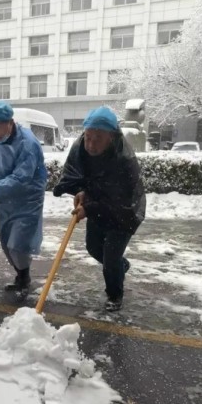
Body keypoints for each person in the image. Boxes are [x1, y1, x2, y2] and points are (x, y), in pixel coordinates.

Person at [54, 107, 146, 312]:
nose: (91, 144)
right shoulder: (80, 147)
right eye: (88, 137)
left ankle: (115, 294)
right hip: (97, 207)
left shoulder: (125, 160)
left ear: (111, 138)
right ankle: (120, 267)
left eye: (98, 138)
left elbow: (118, 200)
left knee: (111, 258)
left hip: (124, 212)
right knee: (94, 248)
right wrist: (80, 190)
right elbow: (75, 175)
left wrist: (88, 207)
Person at [0, 101, 47, 297]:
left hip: (27, 198)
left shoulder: (27, 143)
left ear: (10, 123)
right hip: (3, 199)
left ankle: (24, 277)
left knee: (18, 243)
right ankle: (20, 274)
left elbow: (21, 178)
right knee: (7, 242)